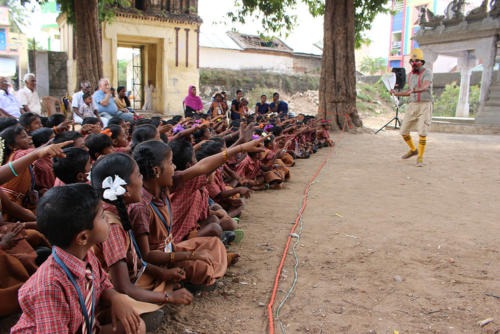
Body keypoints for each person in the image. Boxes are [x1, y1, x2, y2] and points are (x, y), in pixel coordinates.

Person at [11, 184, 146, 334]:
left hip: (83, 327)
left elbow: (102, 283)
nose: (108, 219)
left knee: (137, 327)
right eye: (102, 216)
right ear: (83, 237)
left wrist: (115, 297)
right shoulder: (50, 288)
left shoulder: (85, 255)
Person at [390, 48, 433, 167]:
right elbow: (408, 92)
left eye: (417, 61)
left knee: (422, 132)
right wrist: (395, 93)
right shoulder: (409, 75)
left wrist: (414, 90)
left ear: (422, 62)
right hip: (412, 105)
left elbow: (425, 87)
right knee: (403, 131)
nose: (414, 63)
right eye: (412, 61)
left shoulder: (427, 73)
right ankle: (413, 150)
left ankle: (420, 157)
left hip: (424, 104)